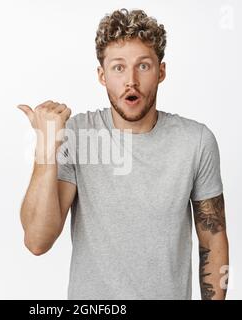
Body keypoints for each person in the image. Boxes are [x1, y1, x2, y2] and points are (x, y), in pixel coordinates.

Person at [18, 8, 229, 300]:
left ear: (161, 72)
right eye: (118, 67)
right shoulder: (78, 135)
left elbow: (213, 241)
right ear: (102, 76)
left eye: (143, 66)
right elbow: (37, 241)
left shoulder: (196, 141)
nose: (131, 80)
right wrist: (45, 147)